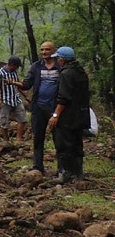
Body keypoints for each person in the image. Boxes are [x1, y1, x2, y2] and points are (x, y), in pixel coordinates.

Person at [48, 46, 90, 183]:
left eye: (58, 58)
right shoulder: (81, 72)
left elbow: (64, 98)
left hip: (67, 116)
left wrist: (55, 115)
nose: (57, 61)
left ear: (63, 59)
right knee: (77, 144)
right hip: (80, 115)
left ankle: (65, 173)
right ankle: (78, 172)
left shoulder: (66, 74)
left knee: (63, 144)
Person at [22, 41, 60, 173]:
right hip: (38, 107)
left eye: (47, 50)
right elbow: (27, 84)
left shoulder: (60, 66)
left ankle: (61, 168)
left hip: (55, 108)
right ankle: (38, 166)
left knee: (58, 138)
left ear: (54, 50)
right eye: (42, 50)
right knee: (38, 137)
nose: (44, 52)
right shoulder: (36, 66)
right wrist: (15, 83)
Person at [0, 56, 27, 144]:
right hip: (5, 100)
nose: (17, 68)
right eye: (16, 66)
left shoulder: (14, 72)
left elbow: (18, 85)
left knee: (22, 119)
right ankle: (6, 141)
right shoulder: (0, 73)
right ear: (11, 65)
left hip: (16, 99)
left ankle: (18, 139)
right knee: (4, 122)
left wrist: (25, 96)